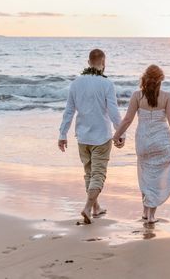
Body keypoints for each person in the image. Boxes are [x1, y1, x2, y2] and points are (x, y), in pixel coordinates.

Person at [58, 49, 125, 225]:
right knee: (98, 174)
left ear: (88, 63)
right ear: (104, 63)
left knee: (89, 173)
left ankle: (96, 207)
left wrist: (62, 133)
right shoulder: (107, 84)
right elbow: (113, 112)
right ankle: (88, 207)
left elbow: (69, 111)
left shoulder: (76, 83)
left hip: (83, 136)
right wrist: (120, 133)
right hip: (101, 136)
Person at [112, 64, 170, 224]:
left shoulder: (137, 96)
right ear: (160, 80)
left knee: (145, 176)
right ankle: (150, 215)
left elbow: (128, 120)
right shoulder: (167, 96)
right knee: (156, 178)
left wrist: (116, 136)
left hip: (143, 141)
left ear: (144, 79)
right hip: (161, 141)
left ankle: (145, 211)